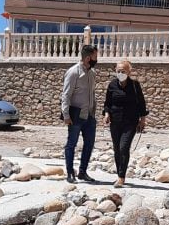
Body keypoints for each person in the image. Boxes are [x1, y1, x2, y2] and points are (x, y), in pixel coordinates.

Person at [102, 60, 148, 188]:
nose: (120, 73)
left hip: (130, 122)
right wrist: (106, 114)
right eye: (118, 71)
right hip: (115, 121)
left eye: (123, 71)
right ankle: (119, 176)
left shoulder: (134, 85)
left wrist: (142, 120)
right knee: (117, 149)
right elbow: (107, 103)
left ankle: (122, 177)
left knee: (124, 147)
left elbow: (141, 103)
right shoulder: (112, 85)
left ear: (129, 72)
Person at [62, 44, 99, 183]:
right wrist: (66, 115)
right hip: (76, 116)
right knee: (71, 144)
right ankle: (70, 172)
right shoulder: (73, 72)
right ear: (88, 57)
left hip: (89, 116)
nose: (97, 59)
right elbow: (66, 95)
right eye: (95, 56)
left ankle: (82, 172)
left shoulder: (92, 73)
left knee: (89, 144)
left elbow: (92, 93)